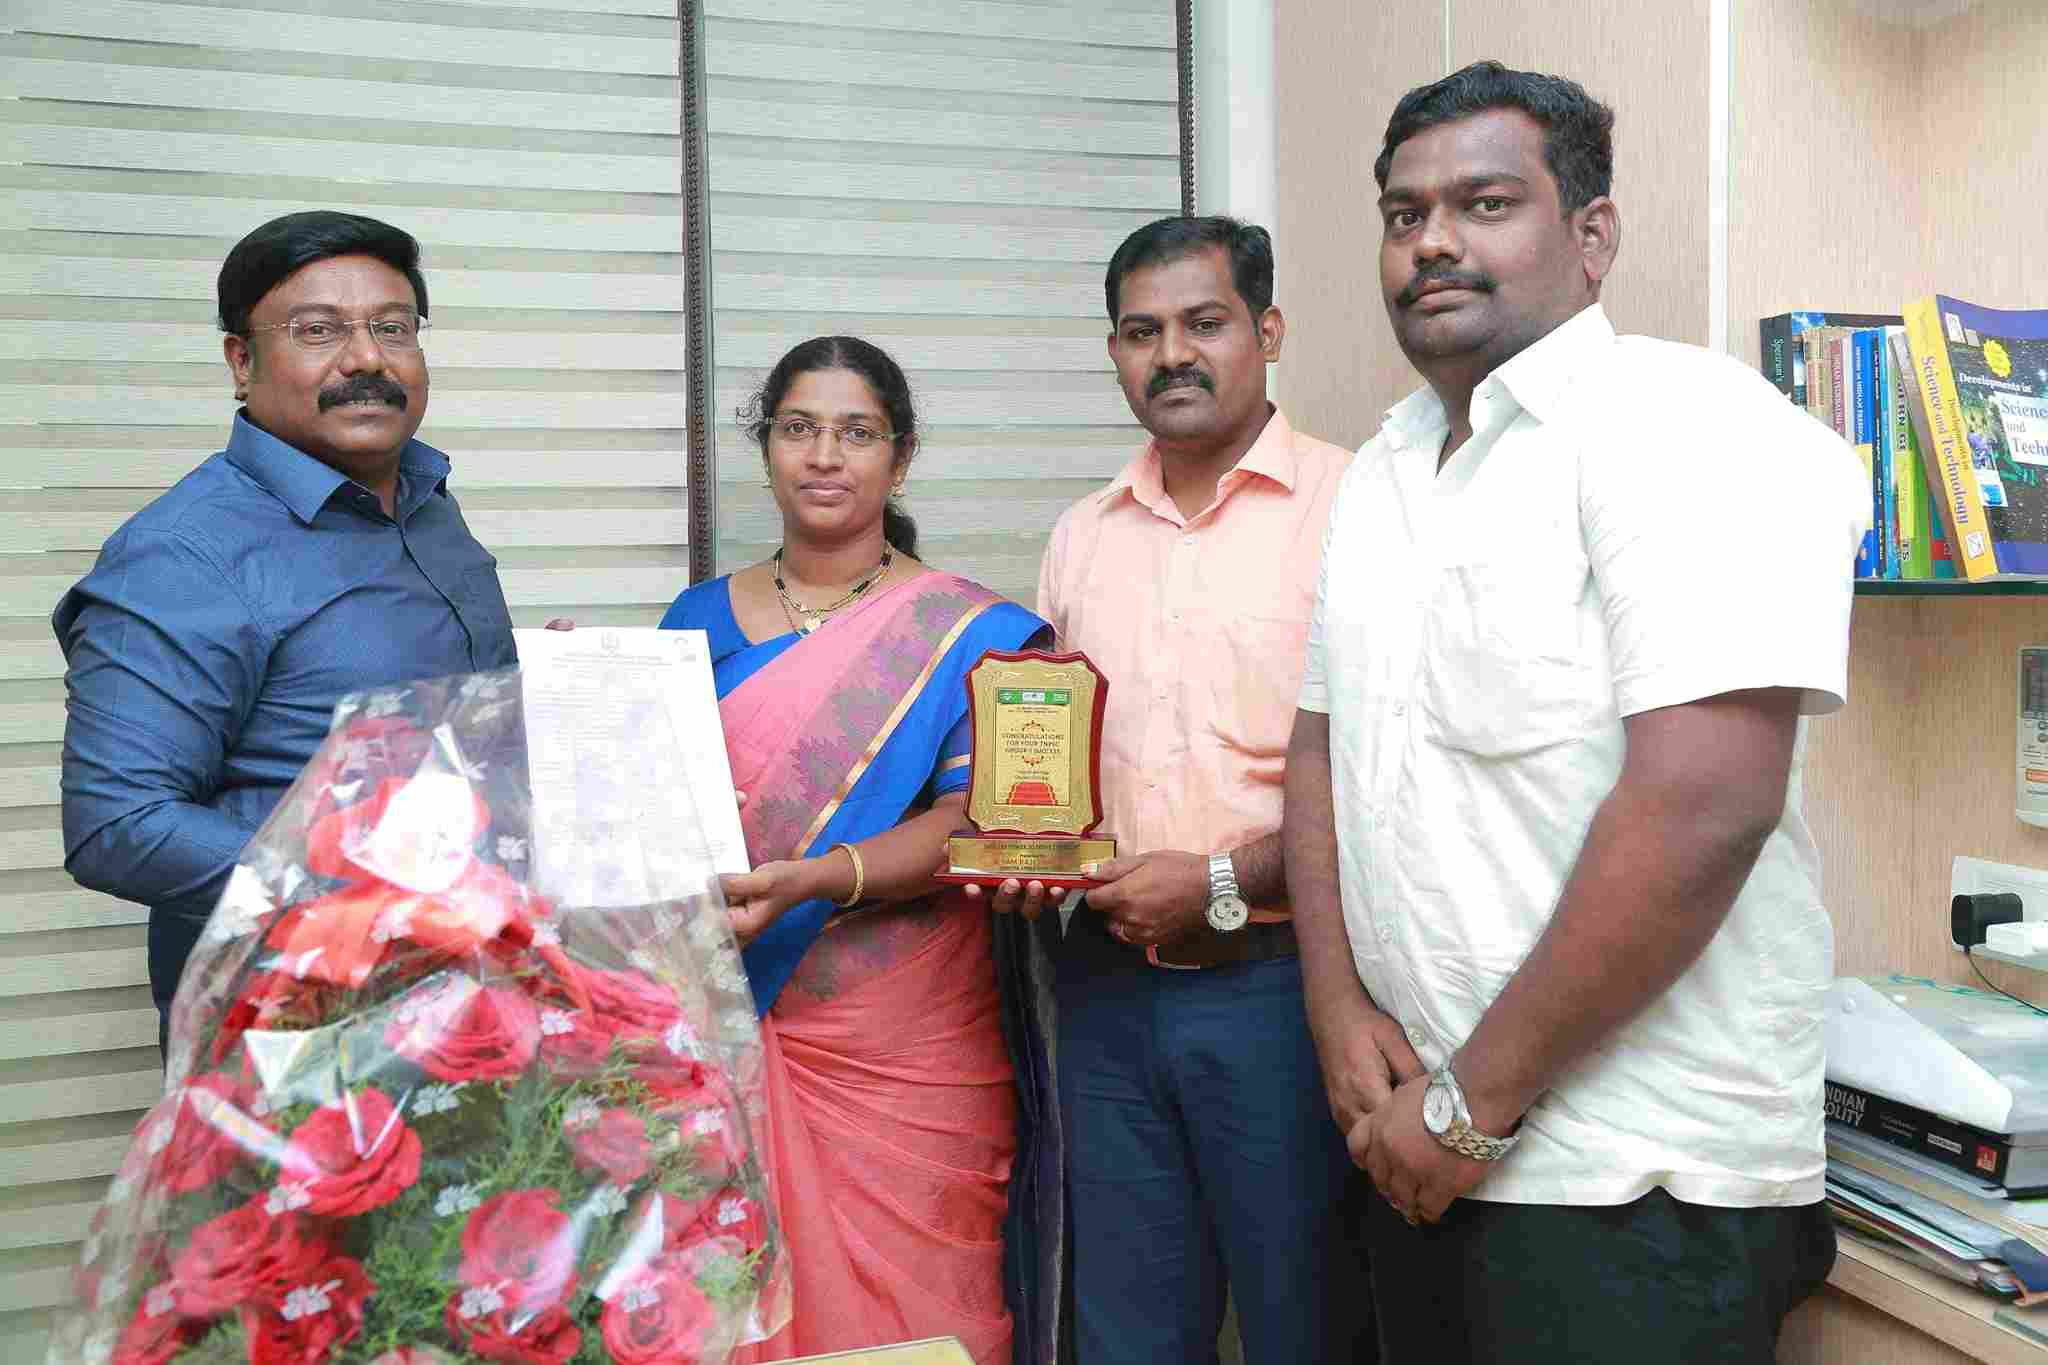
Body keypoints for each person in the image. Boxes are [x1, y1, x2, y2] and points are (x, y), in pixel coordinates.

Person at [1282, 62, 1866, 1361]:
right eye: (1403, 214)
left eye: (1485, 204)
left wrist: (1471, 1108)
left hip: (1632, 1186)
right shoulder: (1383, 470)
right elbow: (1321, 749)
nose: (1433, 241)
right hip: (1415, 1144)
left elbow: (1703, 808)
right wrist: (1335, 1010)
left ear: (1591, 235)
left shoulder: (1688, 429)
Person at [978, 217, 1369, 1363]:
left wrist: (1218, 884)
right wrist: (1024, 858)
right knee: (1124, 1335)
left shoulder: (1356, 509)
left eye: (1204, 323)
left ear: (1267, 332)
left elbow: (1385, 778)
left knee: (1306, 1326)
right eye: (1141, 332)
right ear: (1113, 352)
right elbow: (1047, 767)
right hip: (1102, 991)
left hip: (1287, 988)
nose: (1172, 355)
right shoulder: (1081, 535)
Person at [660, 336, 1057, 1364]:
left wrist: (823, 879)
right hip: (731, 1019)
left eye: (856, 433)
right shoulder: (694, 620)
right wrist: (589, 699)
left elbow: (987, 822)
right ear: (766, 448)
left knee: (921, 1310)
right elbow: (657, 807)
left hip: (906, 1042)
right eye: (799, 428)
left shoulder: (975, 631)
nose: (825, 456)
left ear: (900, 455)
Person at [54, 210, 517, 1052]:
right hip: (293, 1038)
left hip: (473, 998)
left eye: (392, 327)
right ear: (242, 360)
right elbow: (116, 825)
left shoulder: (425, 504)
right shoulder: (182, 554)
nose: (367, 359)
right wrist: (364, 895)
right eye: (318, 330)